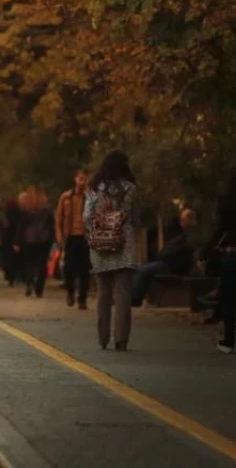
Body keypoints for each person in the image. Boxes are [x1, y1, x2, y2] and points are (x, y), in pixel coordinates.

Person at [84, 150, 138, 351]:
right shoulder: (130, 188)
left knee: (103, 293)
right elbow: (135, 217)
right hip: (124, 245)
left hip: (100, 245)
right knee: (123, 293)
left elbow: (87, 217)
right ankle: (121, 339)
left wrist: (97, 232)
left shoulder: (93, 188)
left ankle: (103, 338)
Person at [131, 207, 198, 306]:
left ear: (189, 220)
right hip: (169, 263)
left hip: (175, 266)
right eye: (181, 220)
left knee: (143, 271)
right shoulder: (182, 234)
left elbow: (183, 252)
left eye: (183, 220)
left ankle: (135, 300)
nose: (181, 222)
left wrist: (167, 252)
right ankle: (135, 296)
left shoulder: (191, 235)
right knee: (142, 269)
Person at [206, 165, 236, 354]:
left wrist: (206, 251)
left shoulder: (228, 202)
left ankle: (228, 340)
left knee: (229, 298)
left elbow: (220, 229)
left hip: (232, 254)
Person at [55, 169, 92, 309]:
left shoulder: (90, 197)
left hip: (85, 237)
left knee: (84, 270)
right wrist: (59, 237)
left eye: (84, 179)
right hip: (70, 237)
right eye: (80, 178)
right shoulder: (66, 197)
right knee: (68, 268)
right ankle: (70, 292)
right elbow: (59, 218)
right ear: (75, 179)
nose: (82, 181)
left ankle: (82, 299)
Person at [15, 184, 55, 298]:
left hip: (29, 239)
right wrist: (52, 237)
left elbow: (21, 226)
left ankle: (29, 284)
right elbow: (51, 224)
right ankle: (39, 288)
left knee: (29, 264)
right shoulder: (47, 208)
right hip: (43, 239)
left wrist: (17, 241)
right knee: (42, 264)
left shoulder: (26, 208)